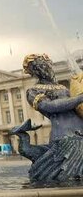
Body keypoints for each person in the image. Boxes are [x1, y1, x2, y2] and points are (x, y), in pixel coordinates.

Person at [10, 53, 83, 182]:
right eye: (38, 67)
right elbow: (50, 106)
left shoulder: (64, 88)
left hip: (79, 134)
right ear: (33, 72)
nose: (44, 68)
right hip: (65, 138)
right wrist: (80, 97)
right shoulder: (33, 91)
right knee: (70, 178)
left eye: (45, 64)